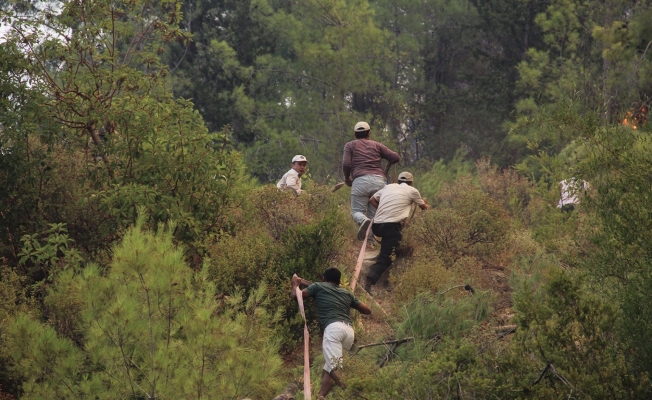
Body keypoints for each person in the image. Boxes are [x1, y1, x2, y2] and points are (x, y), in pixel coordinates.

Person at [291, 268, 372, 398]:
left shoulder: (318, 286)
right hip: (349, 332)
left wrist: (295, 284)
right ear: (339, 280)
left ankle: (354, 394)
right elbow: (367, 310)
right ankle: (321, 396)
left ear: (324, 278)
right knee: (329, 368)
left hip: (333, 329)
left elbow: (296, 296)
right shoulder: (346, 293)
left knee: (334, 368)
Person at [364, 171, 429, 295]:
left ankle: (386, 247)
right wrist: (426, 204)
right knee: (386, 258)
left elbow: (372, 199)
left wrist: (384, 210)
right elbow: (423, 208)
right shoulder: (413, 191)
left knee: (390, 241)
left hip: (377, 226)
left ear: (398, 181)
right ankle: (368, 281)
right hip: (391, 227)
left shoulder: (388, 187)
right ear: (411, 182)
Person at [342, 121, 400, 242]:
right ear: (369, 133)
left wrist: (347, 178)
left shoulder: (350, 145)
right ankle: (370, 242)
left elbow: (346, 164)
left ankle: (363, 221)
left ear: (355, 134)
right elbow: (395, 157)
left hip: (360, 182)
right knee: (374, 215)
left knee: (356, 212)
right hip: (379, 182)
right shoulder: (377, 145)